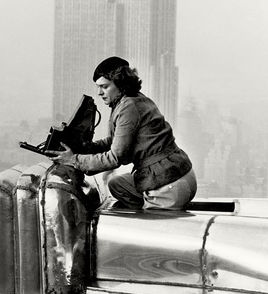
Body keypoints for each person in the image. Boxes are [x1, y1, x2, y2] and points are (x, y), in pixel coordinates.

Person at [45, 56, 197, 211]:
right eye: (98, 87)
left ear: (120, 84)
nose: (99, 92)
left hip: (169, 183)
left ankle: (151, 207)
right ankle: (147, 205)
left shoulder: (128, 107)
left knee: (149, 230)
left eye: (104, 87)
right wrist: (86, 148)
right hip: (178, 174)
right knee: (117, 185)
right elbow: (116, 141)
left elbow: (116, 157)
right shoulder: (134, 100)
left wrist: (74, 160)